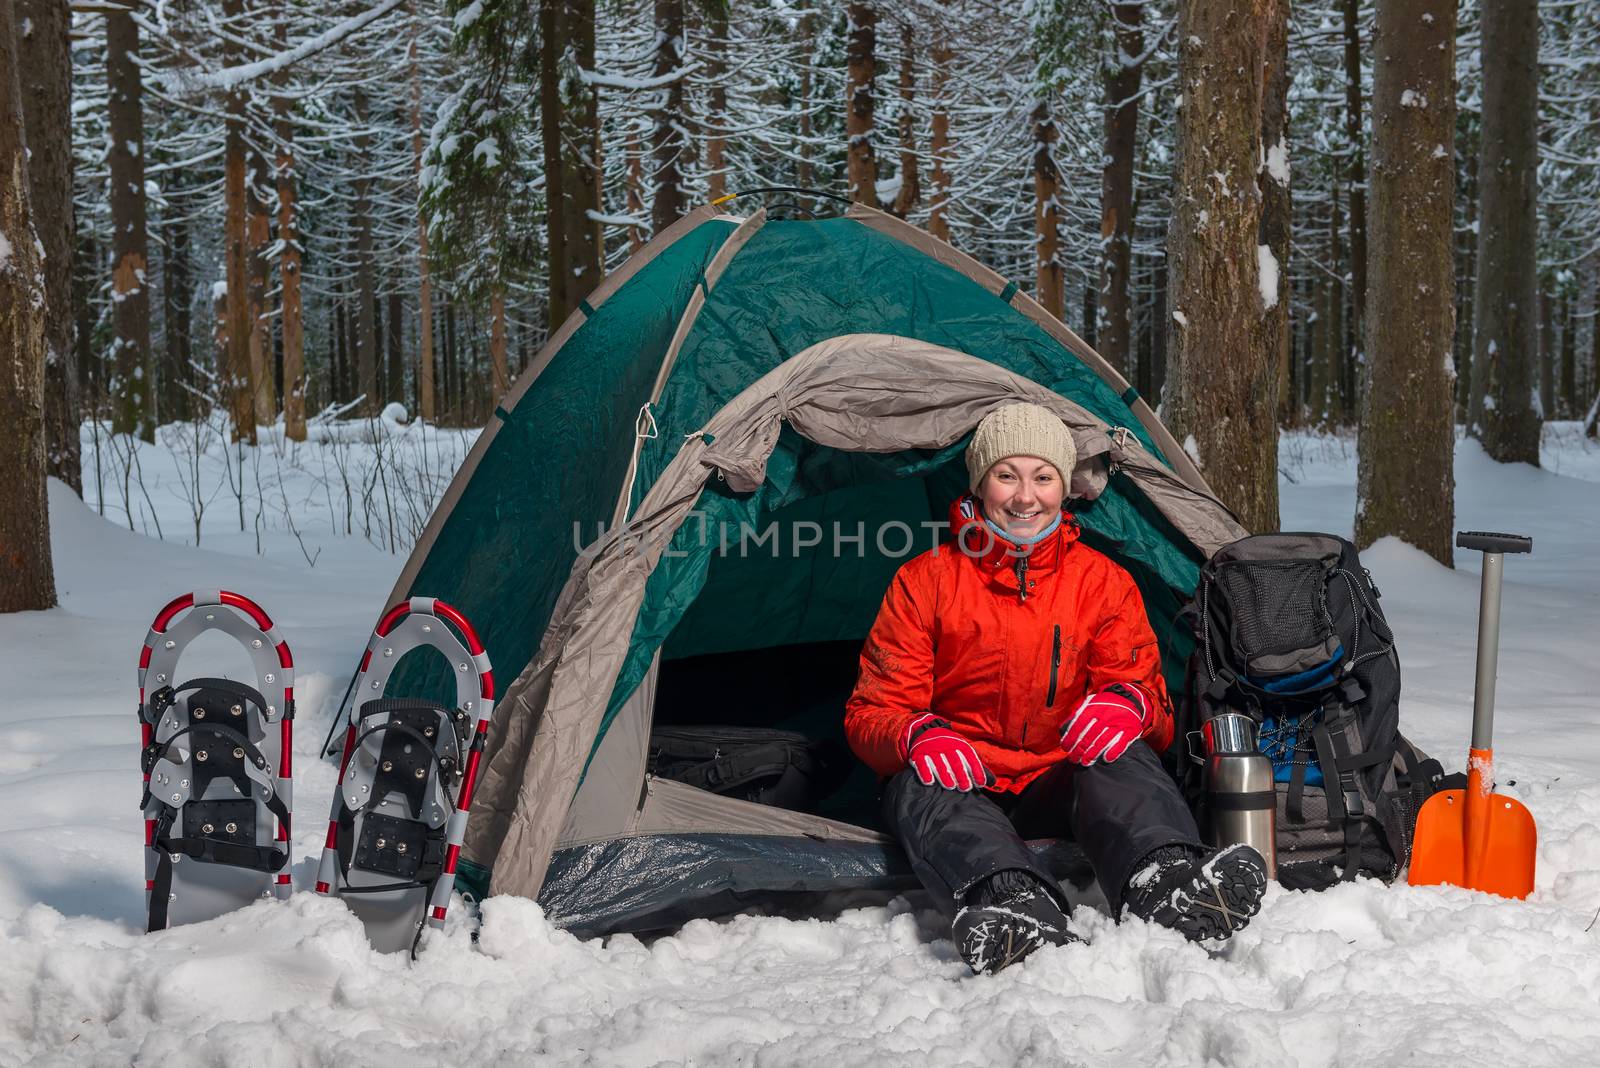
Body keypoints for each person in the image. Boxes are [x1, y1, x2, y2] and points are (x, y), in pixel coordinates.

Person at [844, 402, 1267, 975]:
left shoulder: (1103, 582)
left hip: (1060, 780)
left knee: (1123, 751)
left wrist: (1134, 703)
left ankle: (1167, 882)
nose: (1025, 497)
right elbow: (873, 712)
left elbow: (1154, 706)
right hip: (966, 781)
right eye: (1007, 475)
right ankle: (1015, 904)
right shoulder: (926, 581)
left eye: (1042, 477)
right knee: (921, 778)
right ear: (980, 483)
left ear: (1063, 489)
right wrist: (914, 733)